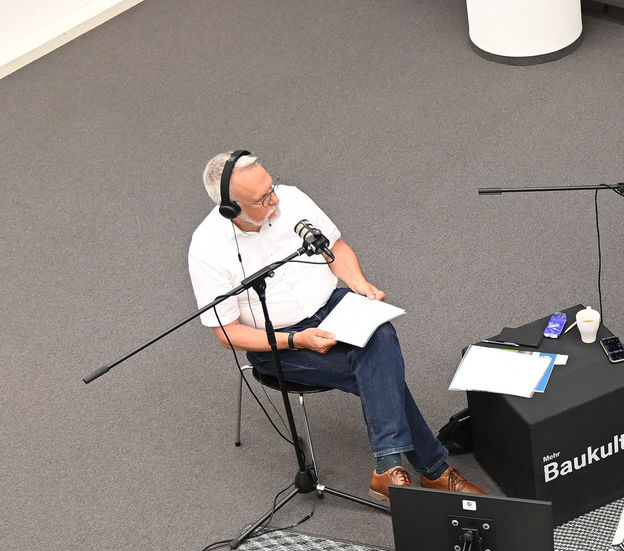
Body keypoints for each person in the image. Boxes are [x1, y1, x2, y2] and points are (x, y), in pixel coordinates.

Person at [188, 150, 483, 501]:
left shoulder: (292, 199)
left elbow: (336, 248)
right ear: (230, 209)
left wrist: (359, 284)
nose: (276, 199)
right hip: (279, 343)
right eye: (263, 198)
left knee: (382, 333)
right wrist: (297, 340)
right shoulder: (207, 249)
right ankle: (435, 471)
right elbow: (227, 333)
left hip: (333, 306)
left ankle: (389, 468)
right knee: (376, 370)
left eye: (272, 186)